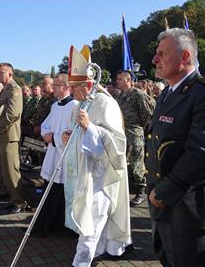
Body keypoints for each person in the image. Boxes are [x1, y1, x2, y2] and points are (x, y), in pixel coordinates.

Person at [146, 28, 205, 267]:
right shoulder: (166, 94)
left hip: (187, 209)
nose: (155, 59)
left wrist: (165, 190)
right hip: (161, 204)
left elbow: (202, 152)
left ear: (184, 57)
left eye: (162, 53)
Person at [63, 45, 132, 267]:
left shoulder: (106, 103)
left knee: (91, 222)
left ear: (89, 84)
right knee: (93, 220)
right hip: (84, 173)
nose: (72, 92)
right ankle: (100, 251)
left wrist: (90, 128)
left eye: (75, 87)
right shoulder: (78, 105)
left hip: (101, 176)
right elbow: (77, 136)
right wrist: (68, 136)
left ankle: (80, 262)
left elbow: (117, 143)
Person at [33, 73, 78, 236]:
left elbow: (73, 134)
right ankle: (48, 225)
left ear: (66, 87)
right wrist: (47, 135)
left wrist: (55, 138)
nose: (53, 88)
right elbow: (46, 125)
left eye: (56, 85)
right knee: (50, 190)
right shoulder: (54, 106)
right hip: (53, 153)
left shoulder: (75, 106)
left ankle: (62, 227)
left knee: (62, 192)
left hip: (65, 157)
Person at [0, 62, 26, 214]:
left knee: (11, 172)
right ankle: (13, 198)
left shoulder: (14, 90)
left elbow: (12, 114)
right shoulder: (6, 90)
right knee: (5, 171)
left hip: (9, 137)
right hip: (2, 136)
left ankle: (20, 202)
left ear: (10, 74)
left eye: (1, 73)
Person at [116, 70, 154, 206]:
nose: (117, 81)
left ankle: (142, 191)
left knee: (137, 163)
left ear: (128, 80)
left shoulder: (137, 94)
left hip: (134, 134)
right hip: (121, 133)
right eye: (117, 79)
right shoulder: (119, 96)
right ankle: (127, 190)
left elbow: (147, 114)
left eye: (120, 78)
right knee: (124, 163)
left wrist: (138, 127)